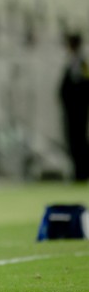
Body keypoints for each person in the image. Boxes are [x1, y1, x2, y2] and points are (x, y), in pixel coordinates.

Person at [59, 33, 89, 182]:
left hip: (78, 111)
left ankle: (82, 173)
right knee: (74, 141)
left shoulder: (81, 63)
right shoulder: (72, 62)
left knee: (79, 141)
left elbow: (84, 86)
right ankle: (78, 172)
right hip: (71, 111)